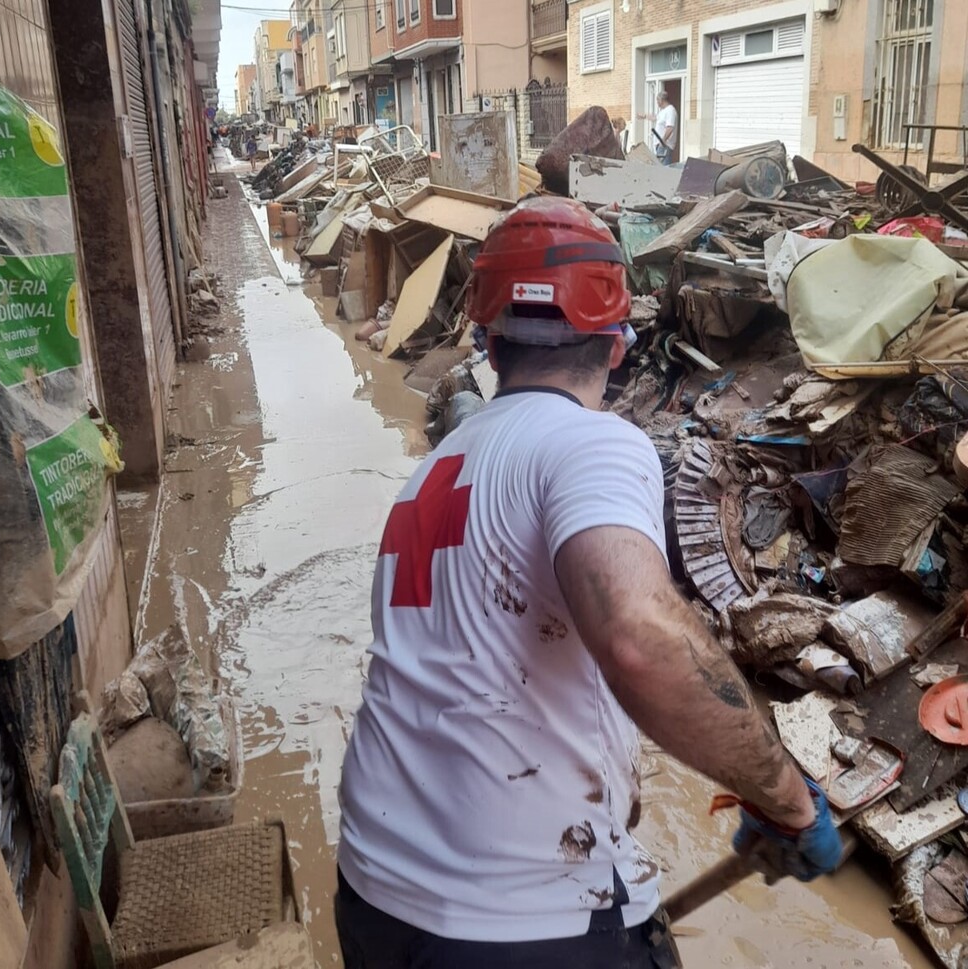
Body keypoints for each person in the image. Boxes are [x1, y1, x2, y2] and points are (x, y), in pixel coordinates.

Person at [334, 196, 842, 969]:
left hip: (374, 892)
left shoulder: (429, 475)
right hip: (517, 919)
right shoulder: (596, 443)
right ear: (617, 345)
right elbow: (642, 640)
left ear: (487, 343)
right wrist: (787, 798)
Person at [638, 91, 678, 165]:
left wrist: (662, 142)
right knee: (660, 167)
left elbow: (670, 128)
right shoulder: (663, 111)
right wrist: (644, 116)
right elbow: (655, 118)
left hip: (665, 145)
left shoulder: (670, 111)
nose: (657, 102)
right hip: (660, 146)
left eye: (657, 100)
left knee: (664, 169)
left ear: (662, 100)